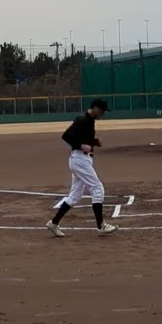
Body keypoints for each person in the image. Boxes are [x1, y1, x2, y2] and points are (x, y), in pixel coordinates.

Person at [46, 99, 119, 237]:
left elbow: (84, 137)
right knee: (97, 188)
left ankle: (54, 223)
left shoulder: (89, 120)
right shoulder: (82, 119)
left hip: (82, 160)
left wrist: (95, 142)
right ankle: (101, 225)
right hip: (80, 159)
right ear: (96, 108)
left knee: (75, 195)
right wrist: (80, 145)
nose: (103, 114)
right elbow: (66, 136)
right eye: (102, 111)